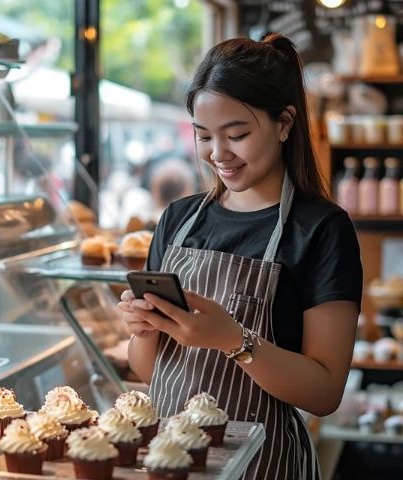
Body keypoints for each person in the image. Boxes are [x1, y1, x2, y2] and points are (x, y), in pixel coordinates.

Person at [118, 33, 362, 480]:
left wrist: (232, 339)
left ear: (285, 123)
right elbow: (151, 369)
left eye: (237, 135)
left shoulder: (323, 230)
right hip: (173, 460)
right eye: (204, 136)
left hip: (264, 465)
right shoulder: (177, 219)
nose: (218, 154)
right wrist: (143, 330)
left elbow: (325, 392)